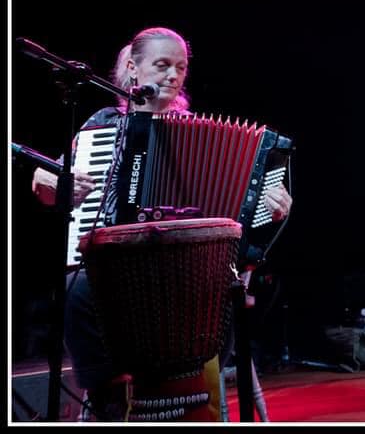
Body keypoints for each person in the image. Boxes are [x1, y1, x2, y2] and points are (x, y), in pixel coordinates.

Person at [31, 26, 293, 418]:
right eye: (162, 65)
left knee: (225, 294)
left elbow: (246, 231)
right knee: (79, 290)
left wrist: (273, 210)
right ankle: (108, 400)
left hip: (186, 272)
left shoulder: (202, 135)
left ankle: (191, 399)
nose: (173, 75)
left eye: (181, 68)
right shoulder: (102, 127)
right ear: (133, 69)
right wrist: (51, 183)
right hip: (118, 267)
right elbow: (52, 187)